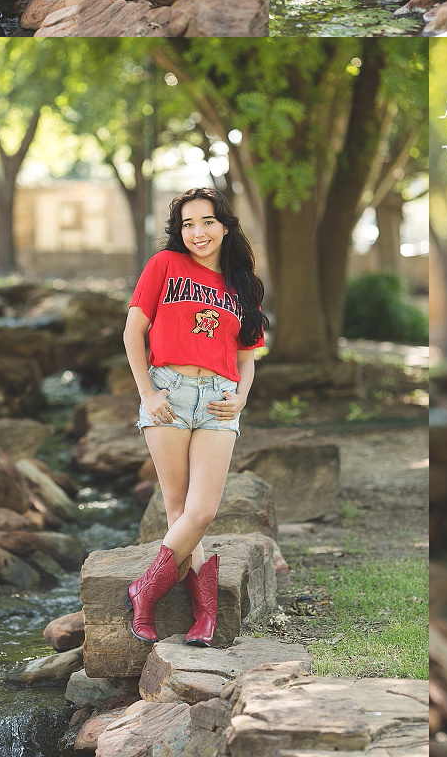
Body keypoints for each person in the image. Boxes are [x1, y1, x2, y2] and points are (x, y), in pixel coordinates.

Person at [122, 188, 267, 647]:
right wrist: (148, 392)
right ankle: (205, 615)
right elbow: (133, 332)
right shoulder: (163, 266)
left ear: (224, 226)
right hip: (168, 389)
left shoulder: (243, 284)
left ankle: (144, 590)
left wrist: (241, 398)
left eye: (206, 222)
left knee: (201, 511)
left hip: (219, 397)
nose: (197, 233)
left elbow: (249, 356)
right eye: (187, 224)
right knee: (177, 506)